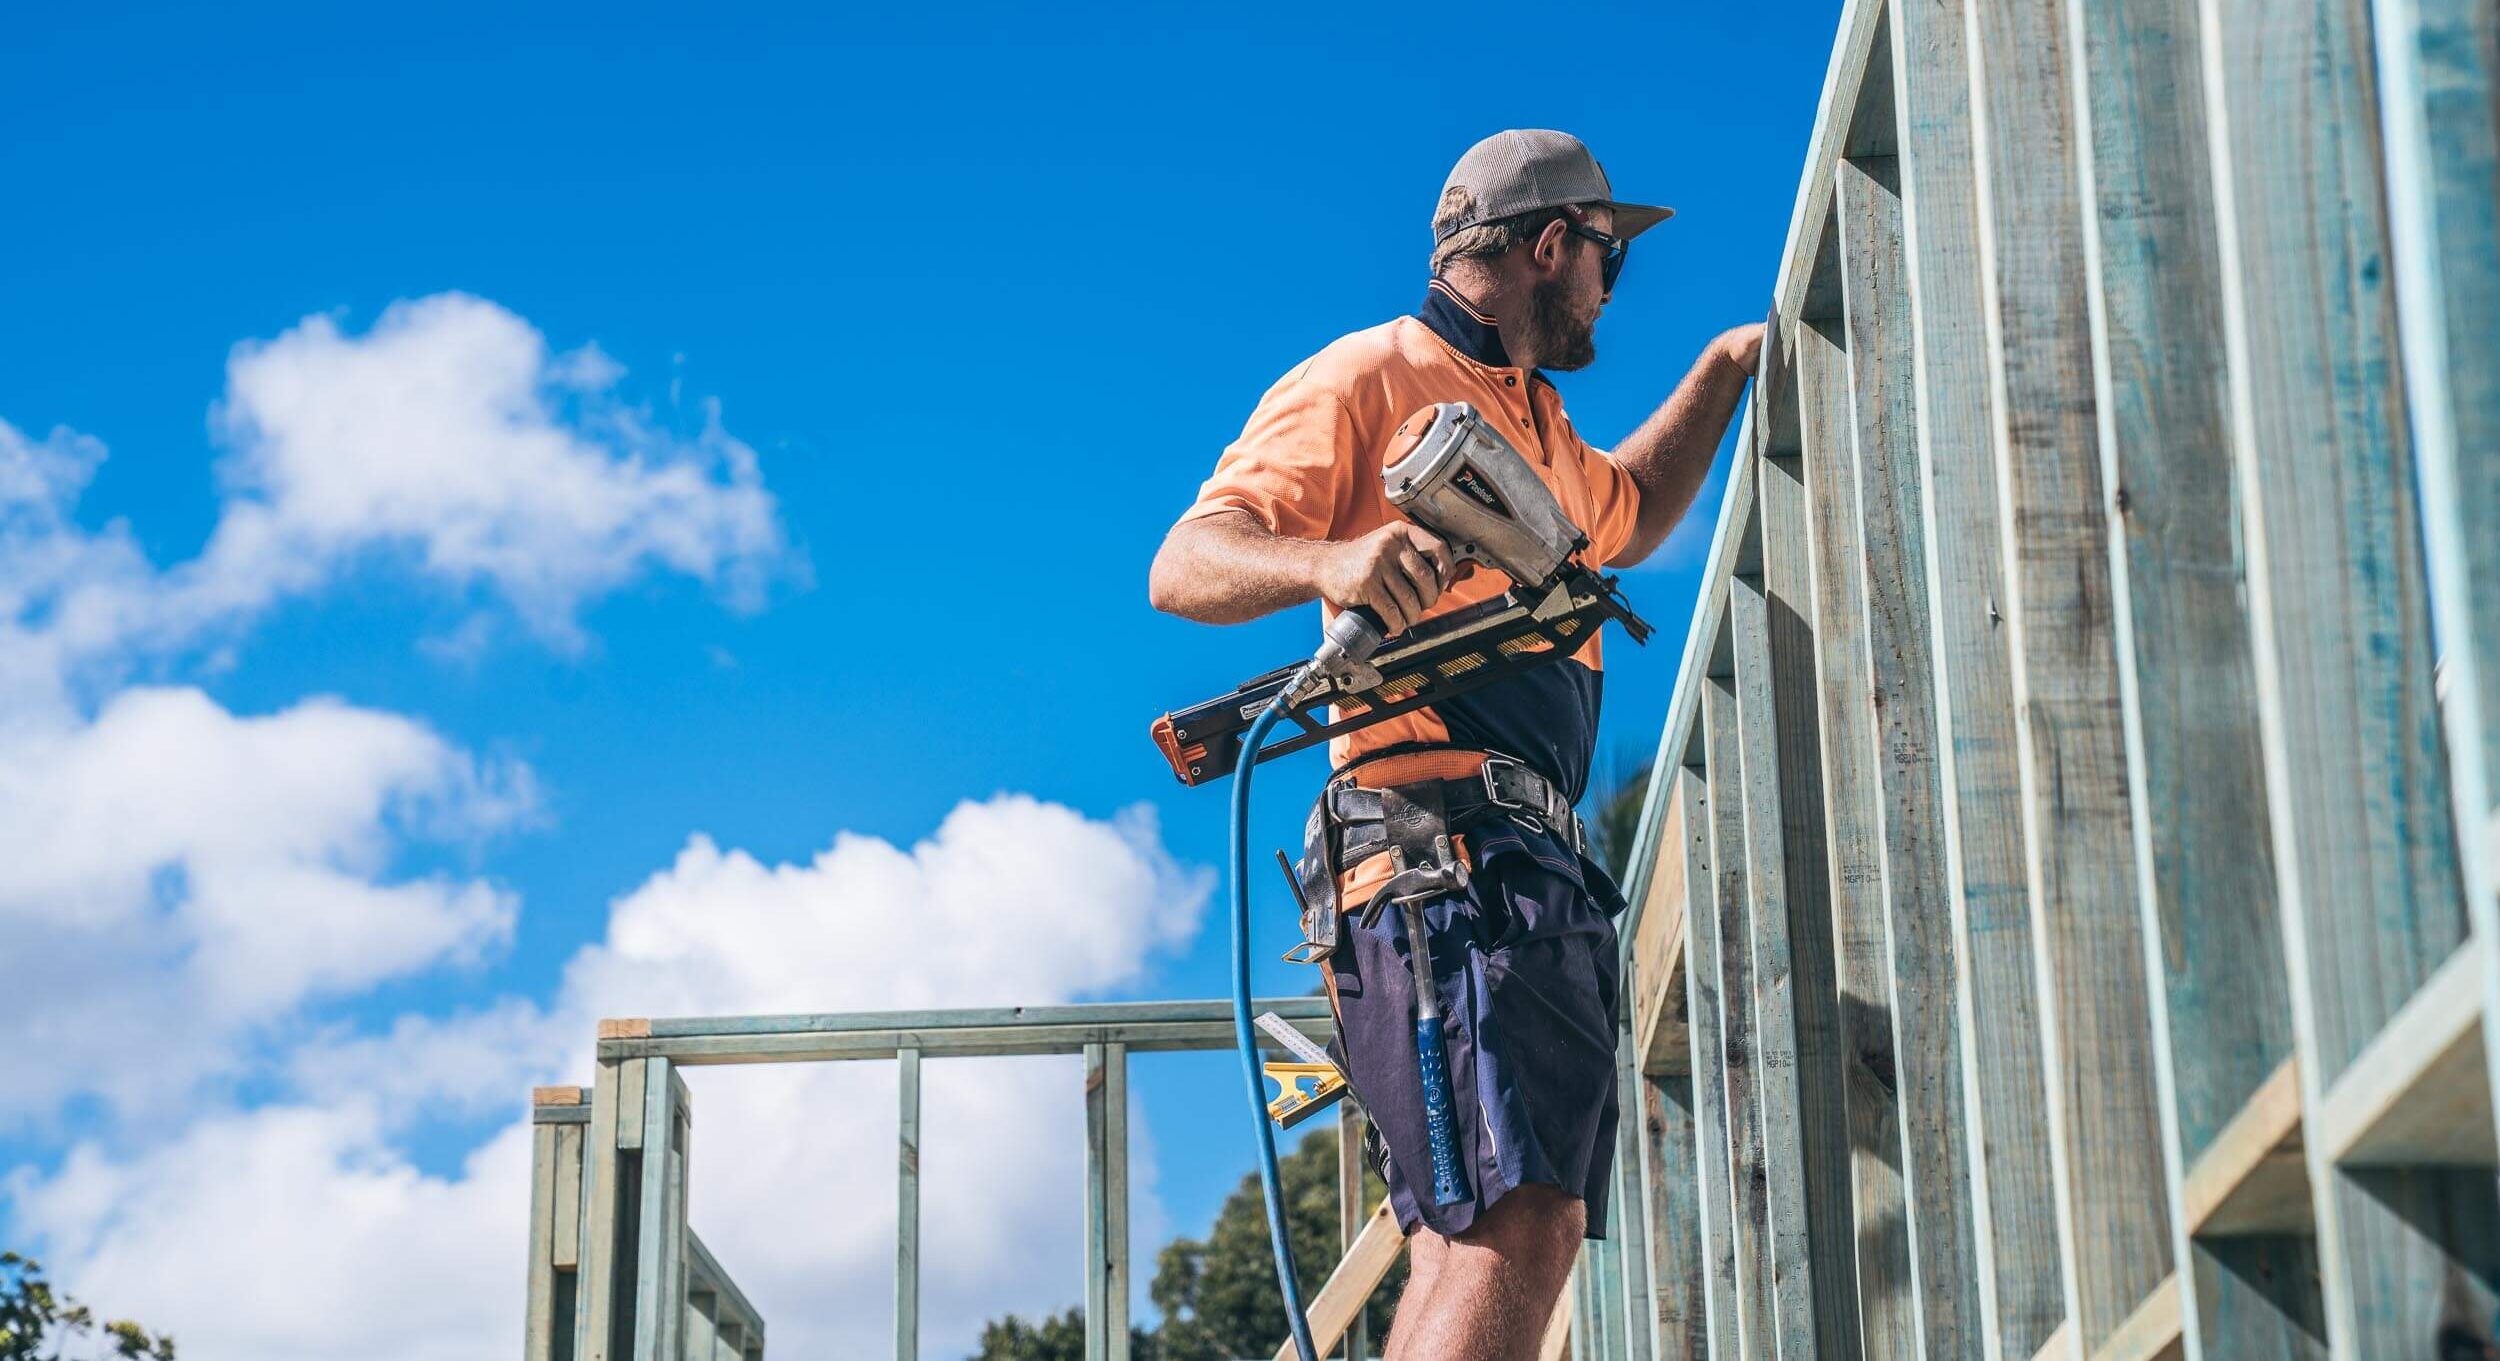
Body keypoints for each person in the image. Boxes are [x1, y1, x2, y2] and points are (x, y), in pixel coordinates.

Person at [1149, 128, 1761, 1360]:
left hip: (1506, 863)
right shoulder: (1370, 375)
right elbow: (1184, 562)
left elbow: (1630, 514)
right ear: (1549, 244)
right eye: (1605, 256)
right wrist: (1327, 558)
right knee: (1520, 1222)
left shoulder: (1532, 421)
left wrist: (1727, 367)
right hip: (1439, 861)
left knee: (1470, 1232)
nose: (1606, 286)